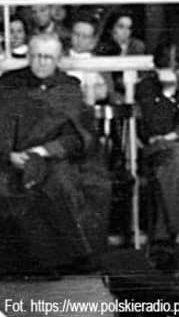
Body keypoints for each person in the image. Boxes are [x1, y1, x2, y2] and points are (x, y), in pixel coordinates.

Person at [0, 34, 105, 276]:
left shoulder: (68, 88)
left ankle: (64, 260)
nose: (41, 62)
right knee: (6, 187)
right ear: (29, 56)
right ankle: (22, 264)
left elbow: (78, 136)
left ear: (57, 59)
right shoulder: (8, 85)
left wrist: (45, 151)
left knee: (60, 184)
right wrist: (9, 155)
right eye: (36, 56)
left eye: (48, 57)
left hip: (54, 158)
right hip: (8, 159)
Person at [136, 43, 179, 245]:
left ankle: (175, 234)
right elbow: (156, 127)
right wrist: (167, 93)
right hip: (158, 147)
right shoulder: (147, 87)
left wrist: (177, 133)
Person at [66, 17, 109, 106]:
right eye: (76, 34)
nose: (79, 39)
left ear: (93, 41)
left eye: (85, 36)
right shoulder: (59, 58)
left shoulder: (102, 63)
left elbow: (104, 93)